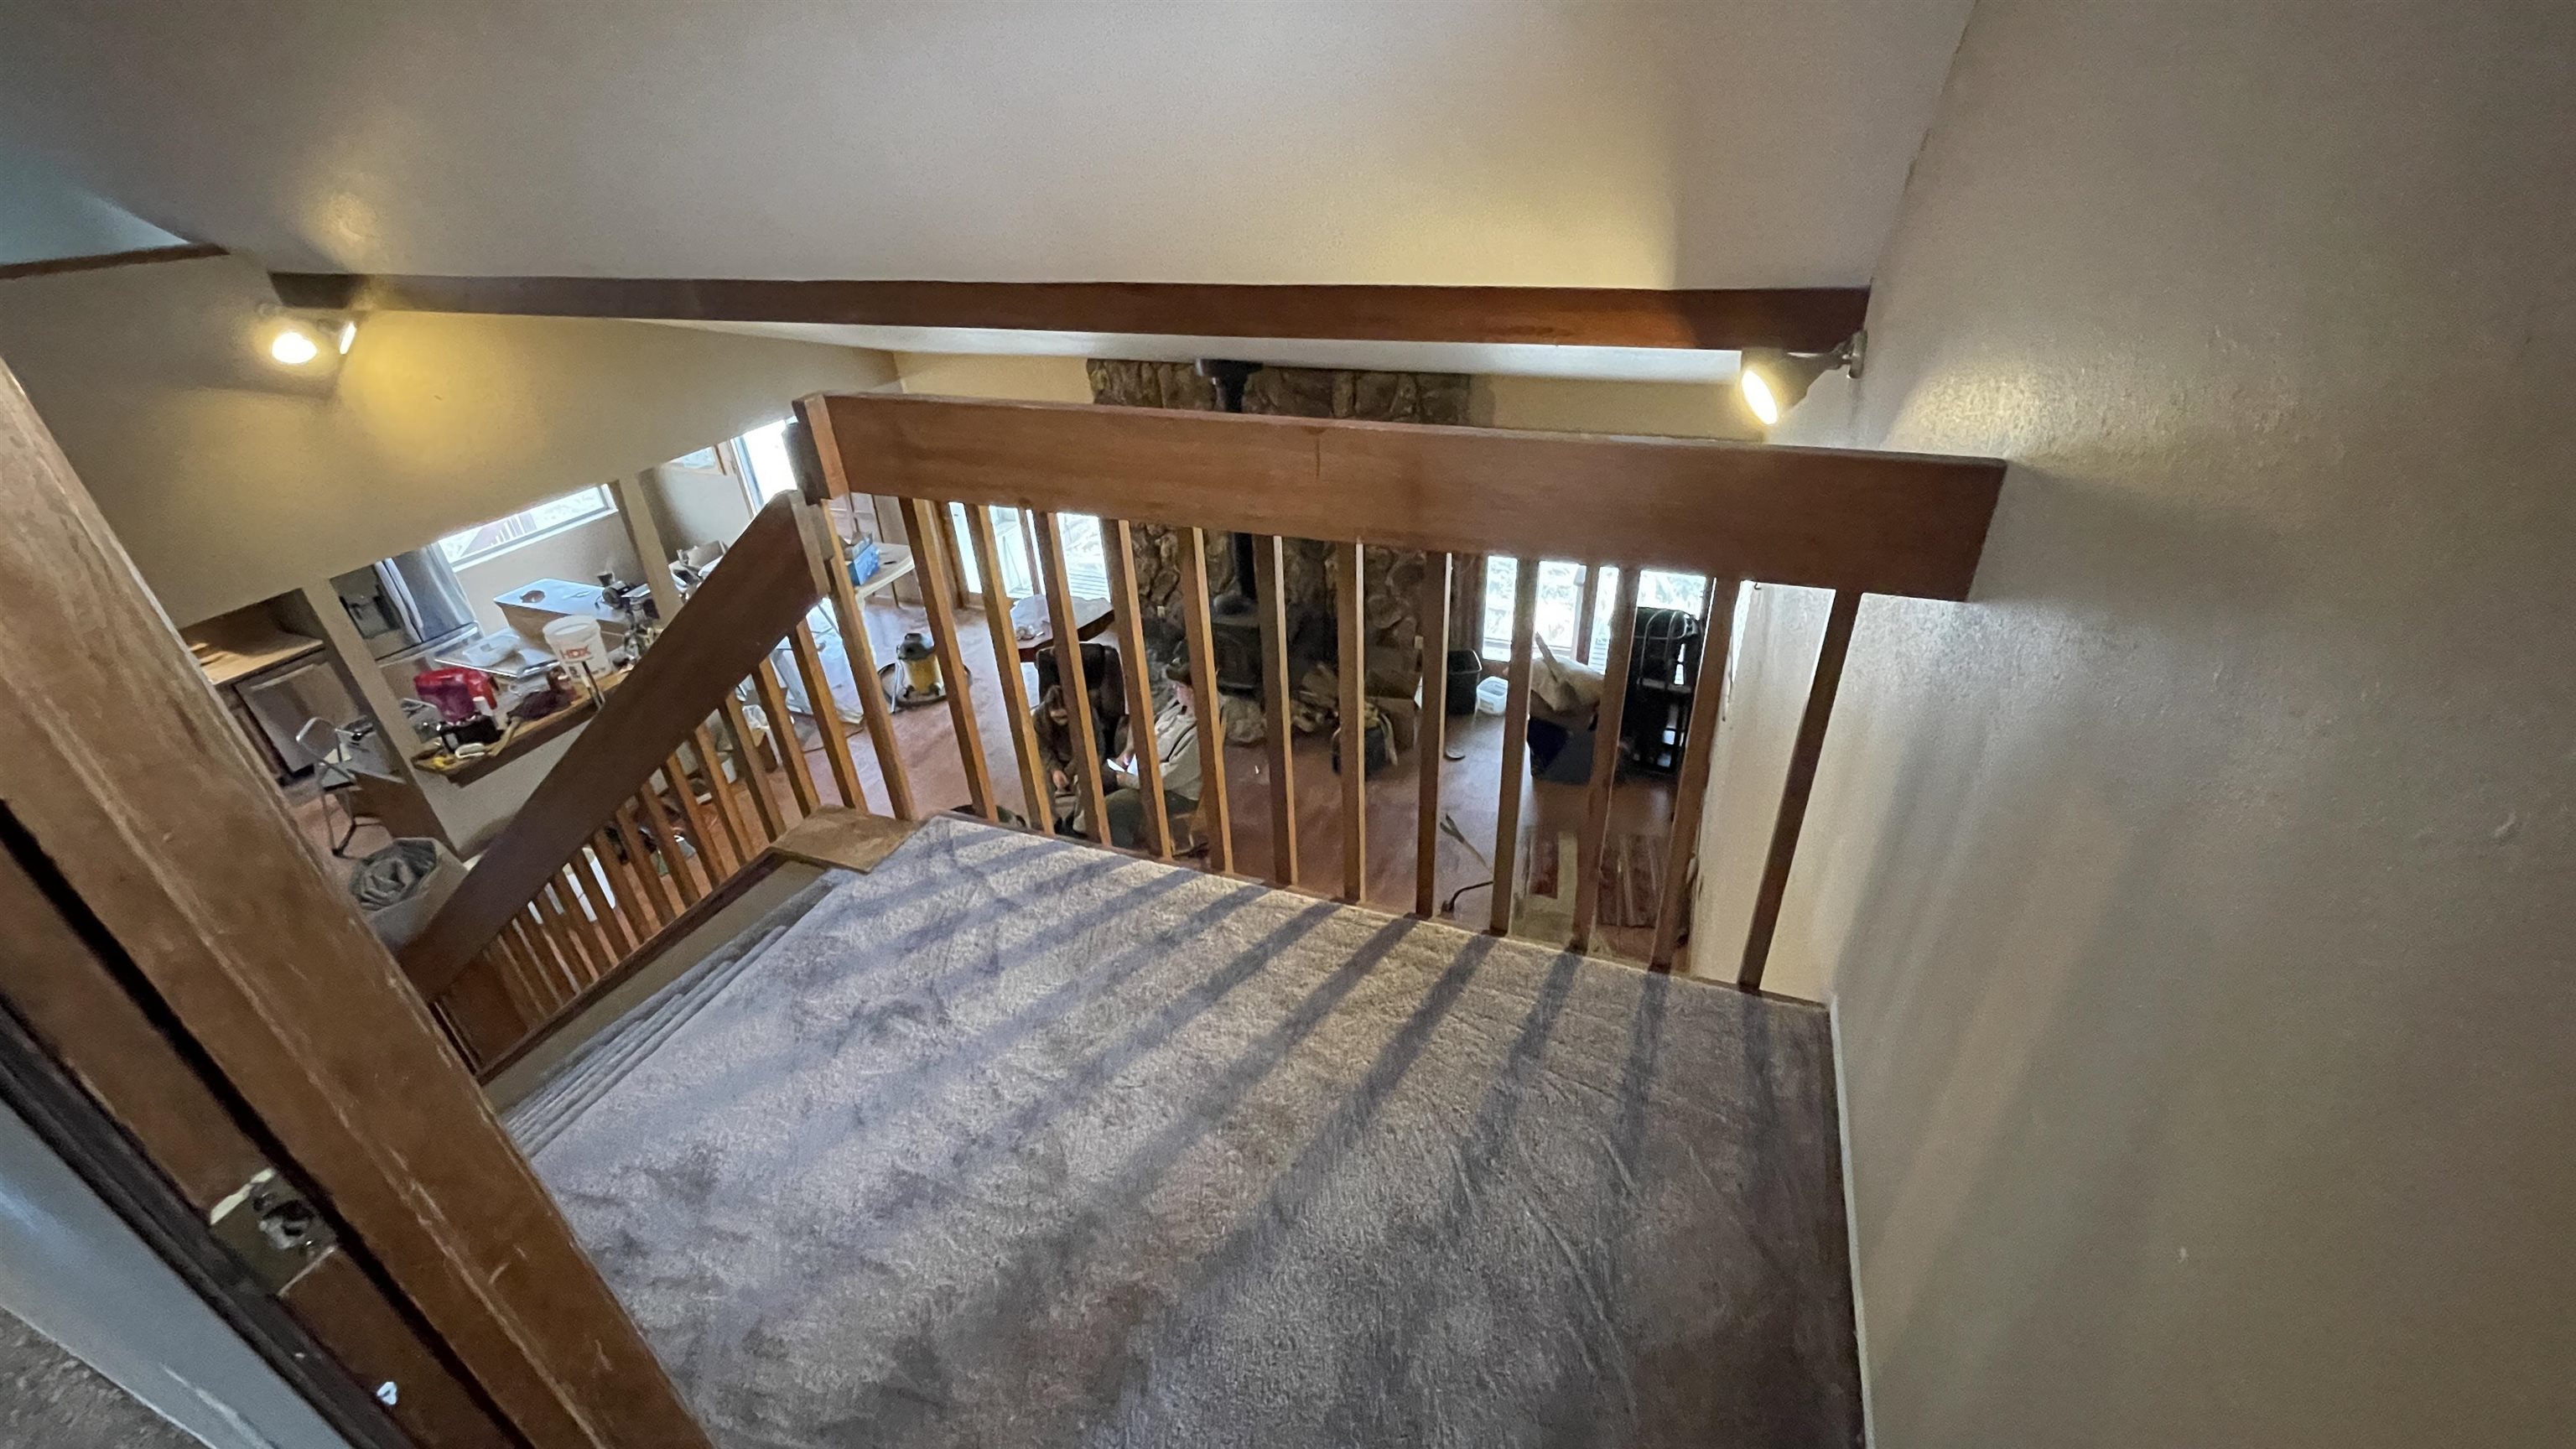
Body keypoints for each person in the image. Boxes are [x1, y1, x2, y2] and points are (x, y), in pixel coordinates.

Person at [1104, 657, 1202, 850]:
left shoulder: (1198, 734)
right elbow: (1148, 728)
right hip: (1141, 772)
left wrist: (1127, 779)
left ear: (1192, 691)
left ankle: (1123, 853)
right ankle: (1078, 830)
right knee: (1093, 779)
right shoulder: (1176, 709)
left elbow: (1168, 778)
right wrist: (1130, 749)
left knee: (1111, 807)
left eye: (1178, 686)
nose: (1174, 690)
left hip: (1173, 793)